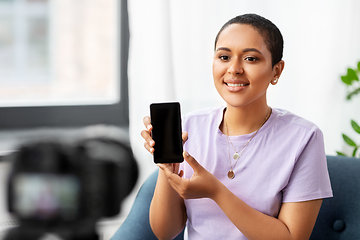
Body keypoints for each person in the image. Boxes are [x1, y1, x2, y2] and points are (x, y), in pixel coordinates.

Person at [141, 13, 332, 240]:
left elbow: (292, 238)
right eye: (224, 57)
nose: (234, 69)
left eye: (251, 59)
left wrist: (215, 191)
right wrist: (167, 167)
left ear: (276, 71)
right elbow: (164, 232)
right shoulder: (190, 127)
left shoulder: (304, 138)